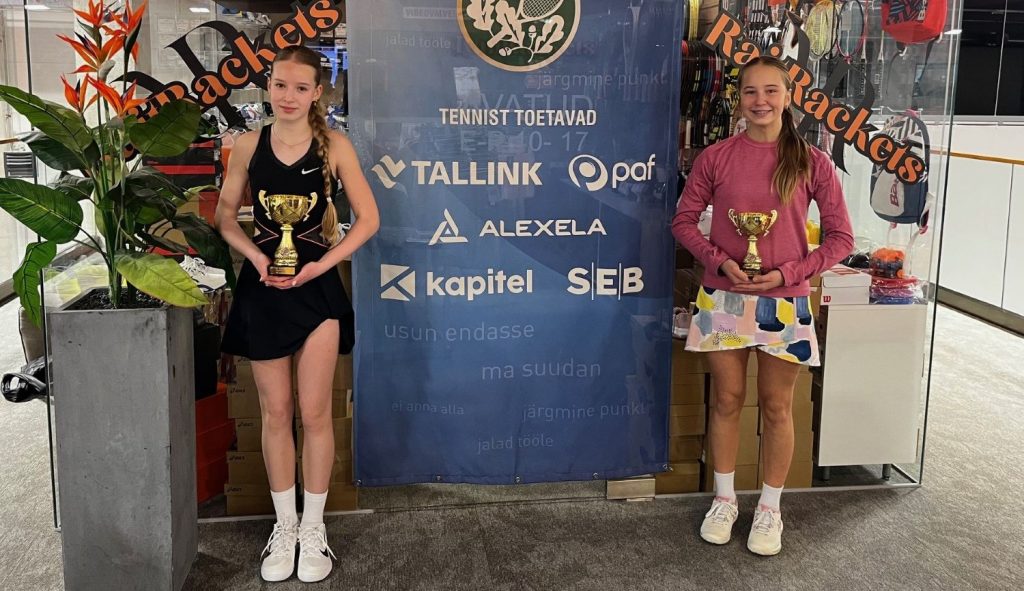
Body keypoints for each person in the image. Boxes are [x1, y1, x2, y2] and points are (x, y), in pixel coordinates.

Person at [671, 55, 854, 556]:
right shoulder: (716, 157)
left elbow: (841, 238)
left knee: (776, 407)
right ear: (739, 99)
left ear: (788, 97)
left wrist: (790, 273)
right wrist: (719, 261)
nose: (760, 101)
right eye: (750, 91)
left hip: (785, 300)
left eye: (771, 90)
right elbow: (683, 221)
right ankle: (724, 500)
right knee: (727, 400)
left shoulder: (813, 162)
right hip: (723, 296)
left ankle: (770, 508)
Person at [215, 45, 379, 582]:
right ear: (269, 85)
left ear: (317, 93)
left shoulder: (335, 145)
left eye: (300, 87)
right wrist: (258, 257)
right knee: (275, 412)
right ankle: (284, 527)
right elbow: (226, 218)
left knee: (314, 412)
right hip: (264, 287)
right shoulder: (247, 144)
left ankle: (313, 529)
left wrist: (320, 266)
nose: (288, 96)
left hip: (316, 292)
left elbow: (369, 219)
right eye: (280, 85)